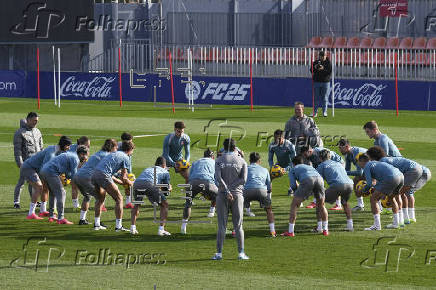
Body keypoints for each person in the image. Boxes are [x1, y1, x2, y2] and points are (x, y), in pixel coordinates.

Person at [366, 146, 423, 227]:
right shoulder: (384, 159)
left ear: (373, 156)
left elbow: (389, 176)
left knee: (397, 195)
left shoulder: (382, 162)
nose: (369, 160)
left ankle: (399, 221)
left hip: (412, 171)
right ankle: (405, 219)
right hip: (416, 168)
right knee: (401, 194)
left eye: (369, 157)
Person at [212, 138, 248, 261]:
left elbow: (217, 178)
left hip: (222, 194)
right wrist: (231, 189)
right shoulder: (242, 161)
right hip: (237, 195)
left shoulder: (219, 160)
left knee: (222, 225)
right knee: (238, 225)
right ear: (235, 147)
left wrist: (227, 190)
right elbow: (243, 179)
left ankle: (219, 253)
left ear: (224, 147)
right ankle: (241, 253)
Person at [21, 136, 72, 219]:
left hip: (37, 169)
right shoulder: (51, 153)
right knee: (39, 187)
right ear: (63, 145)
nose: (69, 148)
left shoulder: (59, 151)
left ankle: (43, 211)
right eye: (68, 146)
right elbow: (44, 169)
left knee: (45, 188)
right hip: (28, 168)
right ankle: (31, 213)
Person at [40, 146, 89, 224]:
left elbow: (68, 173)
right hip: (51, 172)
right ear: (82, 154)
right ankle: (61, 218)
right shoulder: (75, 159)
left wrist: (68, 178)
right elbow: (74, 176)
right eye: (86, 155)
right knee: (62, 193)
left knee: (53, 193)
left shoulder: (71, 155)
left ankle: (52, 216)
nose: (86, 158)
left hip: (44, 170)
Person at [92, 141, 134, 231]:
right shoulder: (126, 157)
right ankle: (118, 226)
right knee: (119, 199)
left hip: (95, 174)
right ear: (130, 150)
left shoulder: (114, 153)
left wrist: (123, 182)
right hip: (104, 175)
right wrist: (132, 183)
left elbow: (115, 177)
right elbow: (124, 178)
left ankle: (97, 225)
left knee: (100, 199)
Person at [73, 139, 118, 225]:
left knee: (87, 197)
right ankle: (97, 223)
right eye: (116, 147)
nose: (116, 150)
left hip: (77, 177)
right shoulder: (107, 156)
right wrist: (119, 178)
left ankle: (82, 220)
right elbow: (107, 172)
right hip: (86, 178)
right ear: (112, 147)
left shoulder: (99, 153)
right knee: (100, 198)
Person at [282, 156, 328, 237]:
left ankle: (290, 231)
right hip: (320, 180)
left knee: (294, 205)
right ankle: (325, 230)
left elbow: (293, 185)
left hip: (307, 179)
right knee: (321, 205)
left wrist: (297, 194)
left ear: (293, 163)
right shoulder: (310, 167)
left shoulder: (293, 169)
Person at [357, 154, 404, 230]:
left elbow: (369, 184)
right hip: (401, 176)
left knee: (373, 198)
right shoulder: (376, 163)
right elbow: (378, 181)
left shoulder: (367, 166)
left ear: (362, 161)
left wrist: (363, 190)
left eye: (358, 162)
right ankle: (396, 223)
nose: (358, 164)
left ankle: (377, 226)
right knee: (392, 198)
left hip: (391, 178)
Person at [130, 156, 172, 236]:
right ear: (164, 165)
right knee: (165, 205)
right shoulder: (165, 171)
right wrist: (169, 188)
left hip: (137, 183)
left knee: (137, 205)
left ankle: (133, 228)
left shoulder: (148, 168)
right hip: (149, 184)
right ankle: (161, 230)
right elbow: (166, 192)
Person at [181, 149, 218, 234]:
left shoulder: (196, 162)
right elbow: (217, 179)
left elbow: (189, 177)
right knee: (221, 197)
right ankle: (213, 212)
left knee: (188, 205)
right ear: (212, 156)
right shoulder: (214, 162)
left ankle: (183, 227)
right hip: (207, 182)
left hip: (192, 183)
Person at [316, 150, 354, 232]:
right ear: (329, 156)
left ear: (320, 158)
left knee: (319, 203)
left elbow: (318, 181)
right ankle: (350, 226)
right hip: (350, 184)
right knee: (345, 203)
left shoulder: (321, 165)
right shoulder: (338, 163)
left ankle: (320, 227)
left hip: (337, 185)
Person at [13, 112, 43, 209]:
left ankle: (34, 200)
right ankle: (16, 202)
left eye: (37, 121)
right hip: (26, 163)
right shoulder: (20, 132)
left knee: (34, 182)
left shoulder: (37, 131)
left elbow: (41, 147)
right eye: (34, 120)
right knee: (21, 182)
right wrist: (20, 163)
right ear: (28, 119)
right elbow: (17, 150)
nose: (36, 123)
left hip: (37, 162)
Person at [300, 145, 344, 210]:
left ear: (309, 151)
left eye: (304, 154)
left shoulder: (320, 151)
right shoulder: (311, 156)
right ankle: (316, 201)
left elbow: (330, 157)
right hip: (325, 165)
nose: (304, 156)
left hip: (337, 164)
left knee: (334, 183)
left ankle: (338, 204)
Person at [243, 152, 276, 237]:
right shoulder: (265, 170)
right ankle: (272, 231)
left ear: (249, 160)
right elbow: (269, 188)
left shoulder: (245, 168)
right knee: (269, 210)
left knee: (238, 210)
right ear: (260, 161)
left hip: (247, 191)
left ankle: (236, 230)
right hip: (261, 191)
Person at [337, 138, 367, 212]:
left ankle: (381, 206)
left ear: (347, 147)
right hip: (367, 170)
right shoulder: (348, 155)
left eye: (341, 148)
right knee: (355, 181)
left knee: (375, 187)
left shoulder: (357, 153)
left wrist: (343, 172)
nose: (340, 150)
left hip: (374, 170)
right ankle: (360, 205)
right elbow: (347, 170)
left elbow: (360, 172)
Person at [69, 136, 90, 210]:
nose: (88, 147)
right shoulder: (72, 151)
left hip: (77, 169)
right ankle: (76, 205)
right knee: (74, 186)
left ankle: (76, 205)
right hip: (69, 169)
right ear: (81, 144)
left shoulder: (83, 149)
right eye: (87, 145)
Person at [310, 50, 332, 117]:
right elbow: (311, 70)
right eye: (321, 56)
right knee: (316, 98)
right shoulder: (316, 62)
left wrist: (322, 69)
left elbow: (329, 72)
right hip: (316, 81)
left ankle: (324, 112)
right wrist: (315, 67)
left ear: (325, 56)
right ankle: (315, 112)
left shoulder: (328, 63)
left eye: (323, 56)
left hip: (325, 82)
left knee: (325, 98)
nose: (322, 57)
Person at [117, 132, 134, 209]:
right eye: (129, 141)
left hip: (127, 168)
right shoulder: (117, 147)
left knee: (128, 184)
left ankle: (128, 202)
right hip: (117, 170)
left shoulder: (130, 145)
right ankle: (102, 204)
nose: (131, 142)